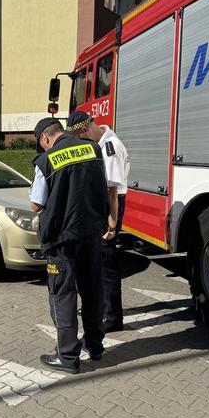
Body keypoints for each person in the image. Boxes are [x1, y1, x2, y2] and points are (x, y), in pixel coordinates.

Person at [29, 117, 109, 374]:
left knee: (62, 295)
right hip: (91, 233)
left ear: (45, 138)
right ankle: (95, 347)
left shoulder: (47, 160)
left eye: (42, 145)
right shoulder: (93, 149)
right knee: (93, 290)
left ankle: (67, 356)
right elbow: (104, 187)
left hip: (62, 239)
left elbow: (36, 204)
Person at [66, 111, 130, 333]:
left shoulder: (109, 148)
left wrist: (111, 226)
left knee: (106, 263)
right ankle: (104, 307)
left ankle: (112, 317)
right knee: (99, 259)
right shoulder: (101, 143)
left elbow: (112, 192)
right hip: (104, 204)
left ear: (84, 130)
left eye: (80, 137)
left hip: (111, 206)